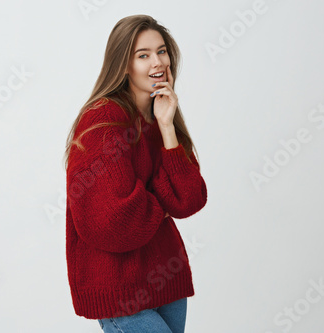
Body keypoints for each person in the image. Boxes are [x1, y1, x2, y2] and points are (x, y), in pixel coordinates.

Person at [63, 14, 208, 333]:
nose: (157, 62)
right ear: (123, 65)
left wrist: (168, 128)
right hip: (121, 295)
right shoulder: (102, 123)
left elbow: (190, 199)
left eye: (162, 51)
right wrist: (162, 200)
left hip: (166, 283)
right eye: (143, 55)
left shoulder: (162, 113)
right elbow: (109, 222)